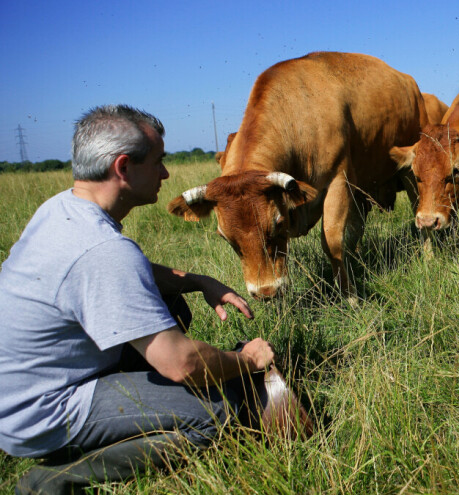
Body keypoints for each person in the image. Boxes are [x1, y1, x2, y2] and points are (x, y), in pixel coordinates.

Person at [0, 105, 276, 494]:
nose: (165, 174)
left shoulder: (62, 209)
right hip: (43, 413)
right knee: (215, 414)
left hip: (19, 390)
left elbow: (130, 274)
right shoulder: (103, 249)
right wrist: (247, 360)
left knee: (171, 303)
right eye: (159, 162)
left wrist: (198, 282)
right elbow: (182, 364)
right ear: (123, 167)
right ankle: (55, 478)